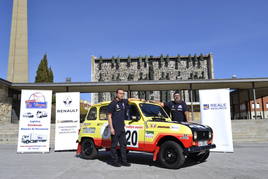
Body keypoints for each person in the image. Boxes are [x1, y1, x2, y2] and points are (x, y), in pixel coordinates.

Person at [107, 89, 131, 167]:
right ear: (116, 94)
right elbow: (109, 116)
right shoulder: (112, 104)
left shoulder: (123, 102)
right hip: (115, 127)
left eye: (123, 94)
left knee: (123, 145)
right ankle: (114, 161)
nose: (122, 95)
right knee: (114, 146)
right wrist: (111, 128)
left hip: (121, 128)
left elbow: (131, 99)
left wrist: (141, 99)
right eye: (120, 93)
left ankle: (124, 161)